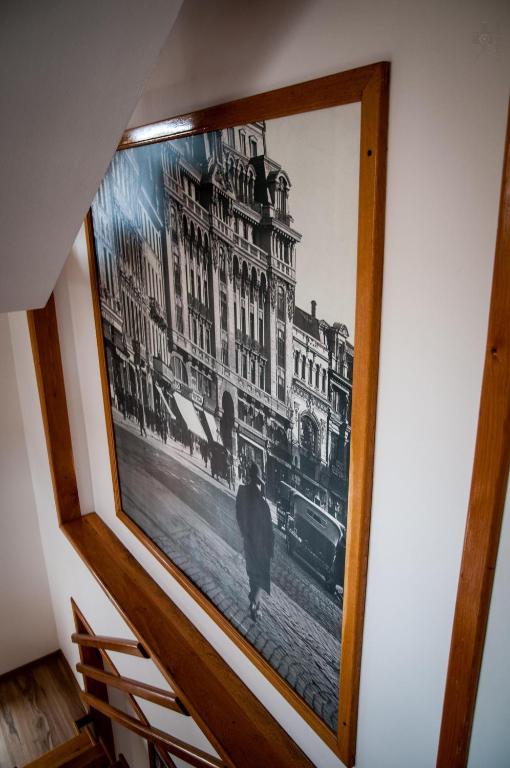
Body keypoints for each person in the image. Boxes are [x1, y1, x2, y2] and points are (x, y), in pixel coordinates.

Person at [236, 462, 274, 621]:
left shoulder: (242, 492)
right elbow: (269, 528)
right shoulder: (262, 503)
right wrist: (270, 549)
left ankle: (254, 602)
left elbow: (239, 515)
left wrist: (245, 533)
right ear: (258, 481)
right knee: (260, 575)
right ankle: (254, 604)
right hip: (261, 546)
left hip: (249, 541)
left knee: (252, 573)